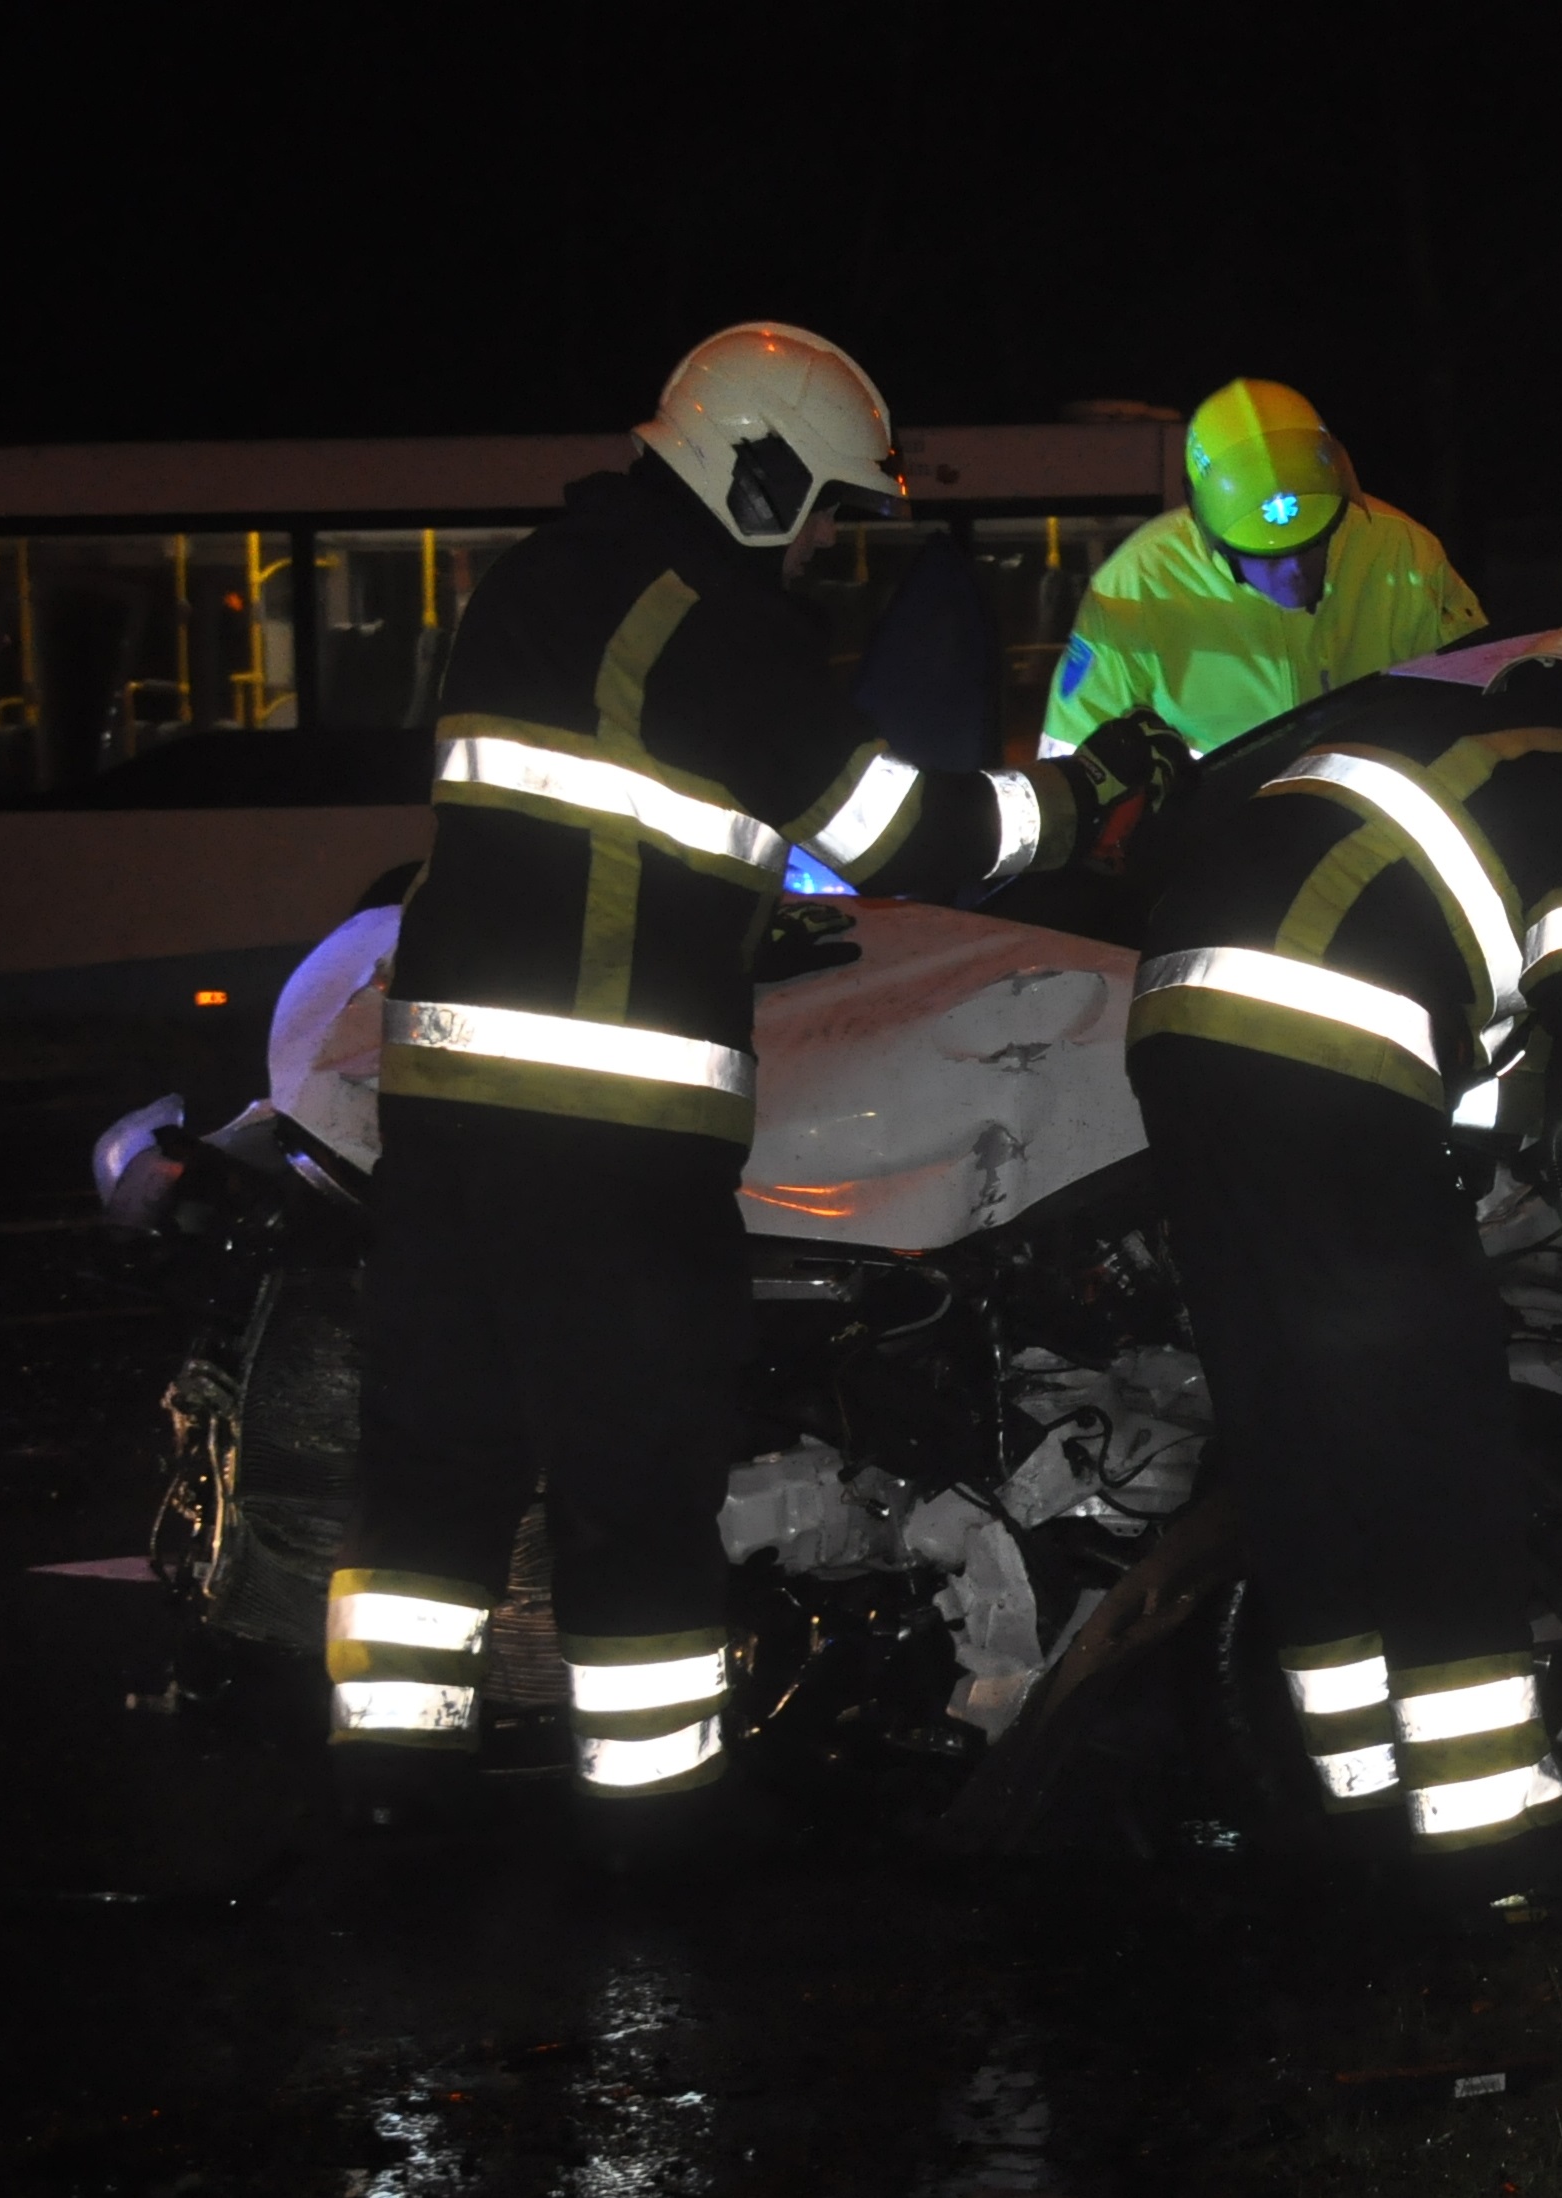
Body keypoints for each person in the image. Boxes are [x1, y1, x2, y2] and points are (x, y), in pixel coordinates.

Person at [329, 323, 1119, 1848]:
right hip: (608, 1143)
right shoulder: (712, 620)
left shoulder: (539, 581)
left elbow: (598, 833)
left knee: (434, 1461)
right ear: (756, 476)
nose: (827, 545)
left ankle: (390, 1787)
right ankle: (656, 1820)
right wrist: (1079, 801)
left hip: (440, 1118)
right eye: (826, 509)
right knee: (635, 1478)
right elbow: (903, 834)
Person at [1123, 617, 1562, 1920]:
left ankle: (1353, 1801)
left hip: (1177, 1040)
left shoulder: (1414, 743)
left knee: (1300, 1444)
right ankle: (1492, 1839)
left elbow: (1466, 1047)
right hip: (1330, 1057)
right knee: (1435, 1448)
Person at [1038, 379, 1485, 758]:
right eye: (1265, 554)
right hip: (1216, 832)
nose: (1293, 571)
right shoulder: (1136, 585)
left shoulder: (1405, 552)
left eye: (1313, 543)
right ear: (1207, 528)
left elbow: (1481, 712)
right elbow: (1070, 763)